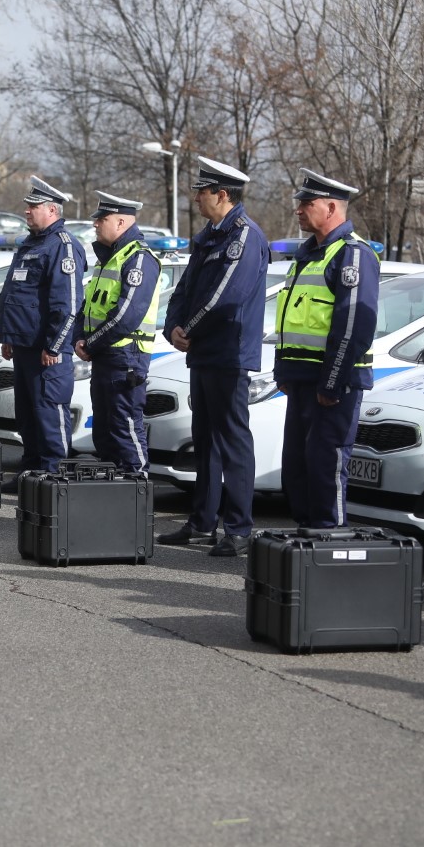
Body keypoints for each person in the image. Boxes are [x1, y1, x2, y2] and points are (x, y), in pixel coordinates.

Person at [158, 158, 269, 557]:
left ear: (222, 195)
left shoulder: (244, 236)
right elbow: (185, 288)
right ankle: (202, 521)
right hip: (204, 353)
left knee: (232, 440)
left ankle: (238, 529)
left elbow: (227, 296)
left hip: (228, 354)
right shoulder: (209, 235)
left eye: (202, 193)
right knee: (205, 440)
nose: (197, 200)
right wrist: (173, 326)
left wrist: (189, 328)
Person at [273, 169, 380, 530]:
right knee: (297, 468)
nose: (298, 210)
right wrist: (282, 372)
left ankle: (329, 542)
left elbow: (353, 326)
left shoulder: (352, 255)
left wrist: (332, 383)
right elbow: (289, 319)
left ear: (331, 207)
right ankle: (305, 546)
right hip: (301, 381)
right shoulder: (307, 255)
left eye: (307, 203)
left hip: (332, 386)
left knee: (325, 466)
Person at [0, 176, 86, 488]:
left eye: (33, 206)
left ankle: (53, 473)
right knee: (27, 413)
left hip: (47, 350)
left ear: (51, 210)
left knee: (48, 411)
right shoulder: (31, 244)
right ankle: (31, 470)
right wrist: (8, 336)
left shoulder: (62, 246)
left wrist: (55, 345)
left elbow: (68, 303)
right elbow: (15, 294)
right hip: (24, 345)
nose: (27, 211)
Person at [74, 191, 162, 472]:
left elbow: (126, 316)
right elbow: (87, 307)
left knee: (125, 428)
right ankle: (114, 501)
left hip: (126, 357)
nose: (96, 224)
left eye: (103, 218)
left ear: (122, 222)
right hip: (105, 356)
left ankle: (137, 493)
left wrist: (90, 344)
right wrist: (80, 337)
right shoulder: (108, 259)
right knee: (105, 430)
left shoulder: (138, 259)